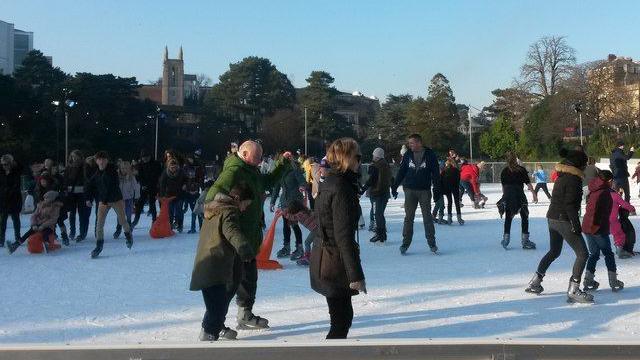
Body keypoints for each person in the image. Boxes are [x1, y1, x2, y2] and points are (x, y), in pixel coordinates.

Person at [205, 140, 291, 330]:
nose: (260, 160)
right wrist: (229, 213)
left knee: (249, 279)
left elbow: (267, 182)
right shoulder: (233, 171)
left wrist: (282, 164)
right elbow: (212, 197)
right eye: (257, 156)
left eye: (261, 157)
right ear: (244, 154)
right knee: (229, 283)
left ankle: (245, 313)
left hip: (250, 236)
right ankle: (215, 323)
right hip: (235, 238)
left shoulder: (251, 170)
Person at [310, 137, 366, 339]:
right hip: (333, 262)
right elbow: (343, 235)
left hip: (325, 257)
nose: (360, 161)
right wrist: (355, 275)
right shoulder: (341, 187)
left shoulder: (330, 181)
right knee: (341, 321)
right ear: (347, 159)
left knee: (340, 317)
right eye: (357, 156)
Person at [525, 148, 593, 303]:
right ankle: (574, 289)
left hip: (552, 218)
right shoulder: (573, 180)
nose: (585, 167)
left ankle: (536, 281)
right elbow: (569, 205)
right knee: (583, 254)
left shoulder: (562, 176)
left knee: (554, 251)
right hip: (564, 220)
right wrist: (576, 224)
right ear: (579, 165)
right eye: (584, 164)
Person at [190, 183, 255, 341]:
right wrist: (245, 249)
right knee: (218, 306)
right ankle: (210, 335)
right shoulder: (228, 211)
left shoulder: (215, 209)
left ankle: (214, 329)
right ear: (238, 199)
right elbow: (232, 231)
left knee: (216, 303)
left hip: (207, 263)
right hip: (214, 264)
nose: (245, 208)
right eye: (246, 204)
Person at [391, 134, 441, 255]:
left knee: (427, 217)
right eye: (409, 143)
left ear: (419, 143)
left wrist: (437, 190)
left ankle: (432, 242)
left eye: (412, 143)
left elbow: (435, 173)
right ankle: (405, 243)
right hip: (409, 190)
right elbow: (402, 170)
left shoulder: (430, 154)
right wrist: (395, 186)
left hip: (424, 190)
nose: (410, 145)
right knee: (409, 218)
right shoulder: (408, 154)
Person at [581, 170, 625, 292]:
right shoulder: (604, 193)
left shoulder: (594, 188)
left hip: (587, 226)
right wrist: (596, 228)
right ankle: (613, 281)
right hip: (597, 228)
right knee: (608, 254)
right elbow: (598, 212)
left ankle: (588, 280)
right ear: (609, 181)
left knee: (594, 254)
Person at [85, 151, 133, 258]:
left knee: (122, 220)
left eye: (103, 159)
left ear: (107, 160)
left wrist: (104, 199)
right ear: (96, 161)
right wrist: (88, 198)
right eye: (99, 159)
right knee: (99, 224)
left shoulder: (112, 171)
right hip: (103, 201)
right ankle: (99, 245)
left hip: (115, 199)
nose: (101, 162)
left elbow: (111, 186)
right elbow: (89, 185)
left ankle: (128, 235)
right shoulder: (96, 173)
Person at [271, 151, 306, 260]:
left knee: (294, 224)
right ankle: (286, 247)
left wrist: (302, 186)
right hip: (285, 202)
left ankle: (299, 247)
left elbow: (302, 181)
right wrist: (272, 201)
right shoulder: (280, 172)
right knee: (286, 224)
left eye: (287, 158)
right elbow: (276, 187)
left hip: (294, 202)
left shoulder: (295, 169)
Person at [500, 152, 538, 250]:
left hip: (509, 196)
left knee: (508, 218)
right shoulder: (521, 170)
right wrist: (534, 194)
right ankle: (525, 241)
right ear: (516, 159)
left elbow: (504, 188)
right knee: (524, 216)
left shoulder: (504, 171)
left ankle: (506, 239)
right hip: (520, 195)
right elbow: (528, 184)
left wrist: (505, 198)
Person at [361, 147, 392, 242]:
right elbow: (391, 178)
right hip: (385, 193)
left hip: (377, 193)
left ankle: (380, 234)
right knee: (380, 214)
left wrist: (363, 189)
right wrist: (393, 189)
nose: (373, 157)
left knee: (377, 214)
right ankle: (382, 234)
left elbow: (371, 180)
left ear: (377, 156)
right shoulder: (386, 165)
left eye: (374, 155)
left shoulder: (376, 166)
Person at [64, 150, 90, 242]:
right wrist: (65, 190)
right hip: (71, 193)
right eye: (72, 156)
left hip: (82, 193)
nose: (74, 158)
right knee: (72, 213)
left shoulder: (84, 166)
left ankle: (82, 233)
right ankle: (72, 232)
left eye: (75, 156)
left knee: (82, 214)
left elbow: (86, 179)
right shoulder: (68, 167)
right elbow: (66, 179)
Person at [132, 150, 162, 228]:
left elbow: (158, 175)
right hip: (144, 187)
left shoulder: (156, 164)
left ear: (149, 156)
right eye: (143, 158)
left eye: (146, 157)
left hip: (153, 186)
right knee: (140, 203)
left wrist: (156, 185)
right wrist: (143, 184)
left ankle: (154, 220)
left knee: (152, 204)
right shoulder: (140, 165)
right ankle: (136, 219)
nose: (145, 159)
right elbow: (139, 176)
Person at [158, 159, 186, 233]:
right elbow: (162, 185)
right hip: (169, 196)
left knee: (179, 211)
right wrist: (162, 195)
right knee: (170, 212)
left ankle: (180, 225)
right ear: (169, 167)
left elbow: (186, 180)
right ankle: (170, 226)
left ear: (177, 166)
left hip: (179, 195)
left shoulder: (181, 172)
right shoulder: (165, 173)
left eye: (174, 167)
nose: (173, 168)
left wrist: (185, 185)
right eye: (171, 167)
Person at [0, 154, 22, 248]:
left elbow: (16, 185)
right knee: (2, 220)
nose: (5, 166)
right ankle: (1, 239)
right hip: (3, 199)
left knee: (15, 219)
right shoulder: (1, 172)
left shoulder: (16, 171)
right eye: (3, 164)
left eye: (7, 164)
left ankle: (18, 237)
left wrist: (9, 191)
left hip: (14, 198)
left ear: (11, 163)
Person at [114, 161, 140, 238]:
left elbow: (136, 187)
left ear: (128, 169)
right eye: (122, 168)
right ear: (120, 168)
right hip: (120, 199)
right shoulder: (117, 177)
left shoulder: (131, 177)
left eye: (126, 168)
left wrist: (137, 196)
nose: (124, 170)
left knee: (128, 215)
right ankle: (118, 229)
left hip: (129, 198)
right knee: (120, 215)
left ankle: (128, 230)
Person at [184, 155, 204, 234]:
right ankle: (194, 227)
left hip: (196, 191)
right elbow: (184, 179)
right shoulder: (186, 168)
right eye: (189, 158)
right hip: (189, 192)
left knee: (197, 210)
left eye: (191, 158)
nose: (190, 160)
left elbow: (201, 178)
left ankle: (199, 227)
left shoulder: (197, 167)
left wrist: (200, 187)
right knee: (194, 211)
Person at [441, 158, 463, 225]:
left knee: (449, 202)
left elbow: (441, 179)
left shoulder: (444, 171)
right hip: (455, 187)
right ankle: (459, 218)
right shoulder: (456, 170)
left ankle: (449, 218)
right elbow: (458, 179)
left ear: (447, 164)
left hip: (447, 188)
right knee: (457, 202)